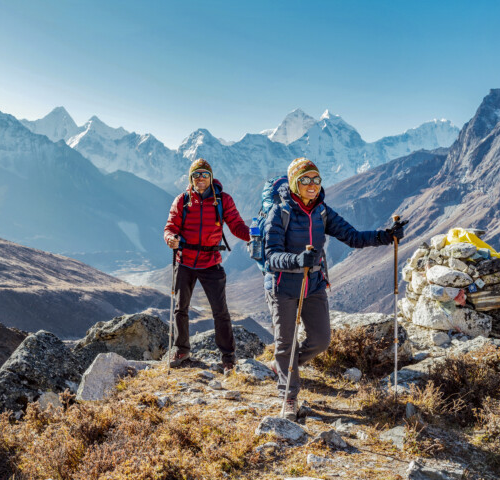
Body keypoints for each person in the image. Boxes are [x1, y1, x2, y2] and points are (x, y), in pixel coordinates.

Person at [264, 157, 406, 420]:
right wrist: (296, 260)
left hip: (314, 284)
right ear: (295, 183)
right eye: (305, 180)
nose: (312, 185)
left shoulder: (322, 211)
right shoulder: (280, 213)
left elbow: (352, 236)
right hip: (284, 287)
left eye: (316, 179)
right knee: (286, 344)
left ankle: (283, 366)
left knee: (321, 340)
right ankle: (289, 397)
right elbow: (270, 256)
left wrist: (385, 236)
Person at [164, 158, 250, 370]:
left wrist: (253, 236)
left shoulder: (222, 200)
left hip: (211, 262)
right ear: (190, 178)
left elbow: (236, 225)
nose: (200, 178)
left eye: (204, 174)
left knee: (220, 311)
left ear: (211, 178)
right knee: (180, 308)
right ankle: (181, 349)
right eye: (196, 175)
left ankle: (228, 357)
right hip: (184, 260)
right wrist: (170, 238)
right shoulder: (182, 200)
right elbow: (170, 226)